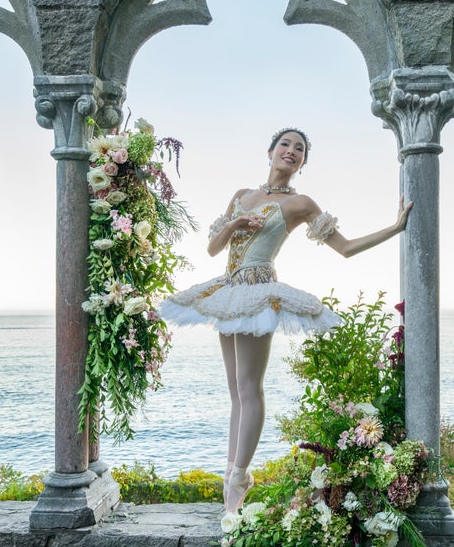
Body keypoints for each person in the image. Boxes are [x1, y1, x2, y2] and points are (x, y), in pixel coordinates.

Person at [159, 128, 412, 512]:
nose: (291, 151)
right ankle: (235, 476)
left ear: (303, 162)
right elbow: (213, 249)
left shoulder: (301, 203)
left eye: (300, 149)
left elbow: (344, 248)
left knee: (250, 387)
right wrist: (233, 225)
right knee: (235, 392)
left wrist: (394, 228)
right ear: (270, 151)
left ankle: (236, 483)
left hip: (260, 291)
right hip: (228, 289)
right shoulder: (241, 195)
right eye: (285, 144)